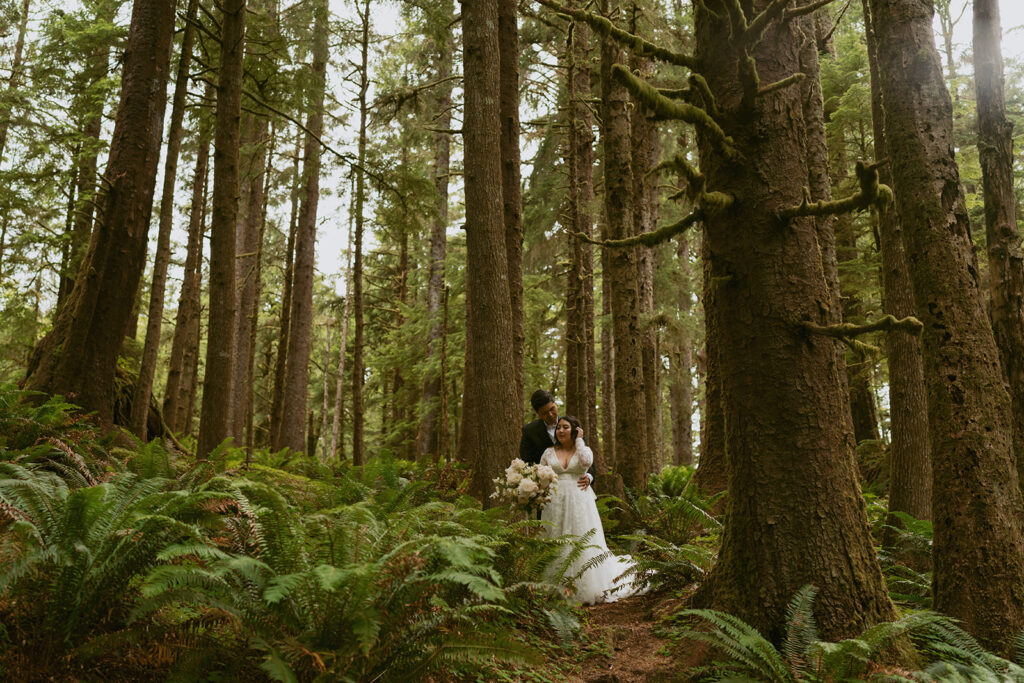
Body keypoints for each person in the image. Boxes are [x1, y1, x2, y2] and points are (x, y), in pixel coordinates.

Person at [540, 415, 642, 604]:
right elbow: (541, 473)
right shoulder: (548, 452)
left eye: (566, 427)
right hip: (554, 501)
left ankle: (583, 585)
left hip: (579, 500)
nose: (561, 431)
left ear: (575, 430)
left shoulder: (583, 450)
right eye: (558, 428)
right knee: (556, 536)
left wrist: (579, 440)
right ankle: (553, 584)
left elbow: (586, 462)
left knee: (581, 537)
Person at [519, 389, 591, 491]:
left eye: (552, 409)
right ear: (538, 413)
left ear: (555, 403)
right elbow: (527, 463)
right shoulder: (529, 431)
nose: (550, 414)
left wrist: (589, 477)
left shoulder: (573, 425)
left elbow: (586, 454)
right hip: (546, 491)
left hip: (576, 488)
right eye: (544, 413)